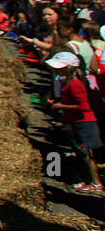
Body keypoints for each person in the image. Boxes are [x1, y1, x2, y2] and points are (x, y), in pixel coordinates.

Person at [46, 52, 103, 192]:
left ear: (68, 68)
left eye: (59, 68)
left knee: (86, 153)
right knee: (81, 152)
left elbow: (84, 106)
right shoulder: (68, 82)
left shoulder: (75, 84)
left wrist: (60, 106)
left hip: (85, 123)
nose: (56, 70)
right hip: (77, 122)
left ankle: (96, 183)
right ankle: (86, 179)